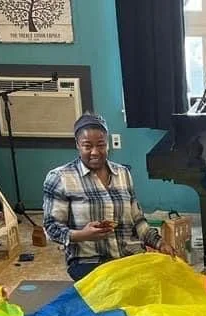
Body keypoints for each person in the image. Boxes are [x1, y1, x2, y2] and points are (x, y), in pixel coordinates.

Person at [42, 113, 178, 281]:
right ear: (77, 145)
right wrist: (82, 235)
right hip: (89, 263)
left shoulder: (123, 173)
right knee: (119, 296)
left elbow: (138, 220)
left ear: (107, 144)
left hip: (128, 256)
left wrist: (159, 243)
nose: (95, 152)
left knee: (165, 284)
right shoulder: (60, 178)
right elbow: (51, 227)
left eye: (101, 145)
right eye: (87, 146)